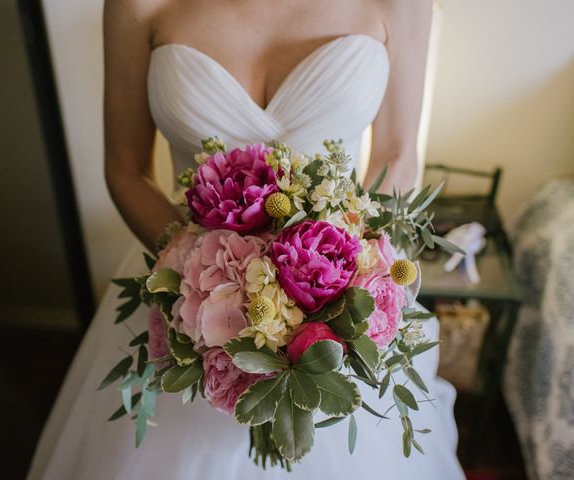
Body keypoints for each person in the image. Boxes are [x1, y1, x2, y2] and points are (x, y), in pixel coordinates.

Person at [27, 1, 465, 478]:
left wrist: (334, 284)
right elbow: (126, 171)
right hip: (185, 293)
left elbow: (397, 157)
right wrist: (197, 276)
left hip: (338, 291)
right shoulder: (137, 5)